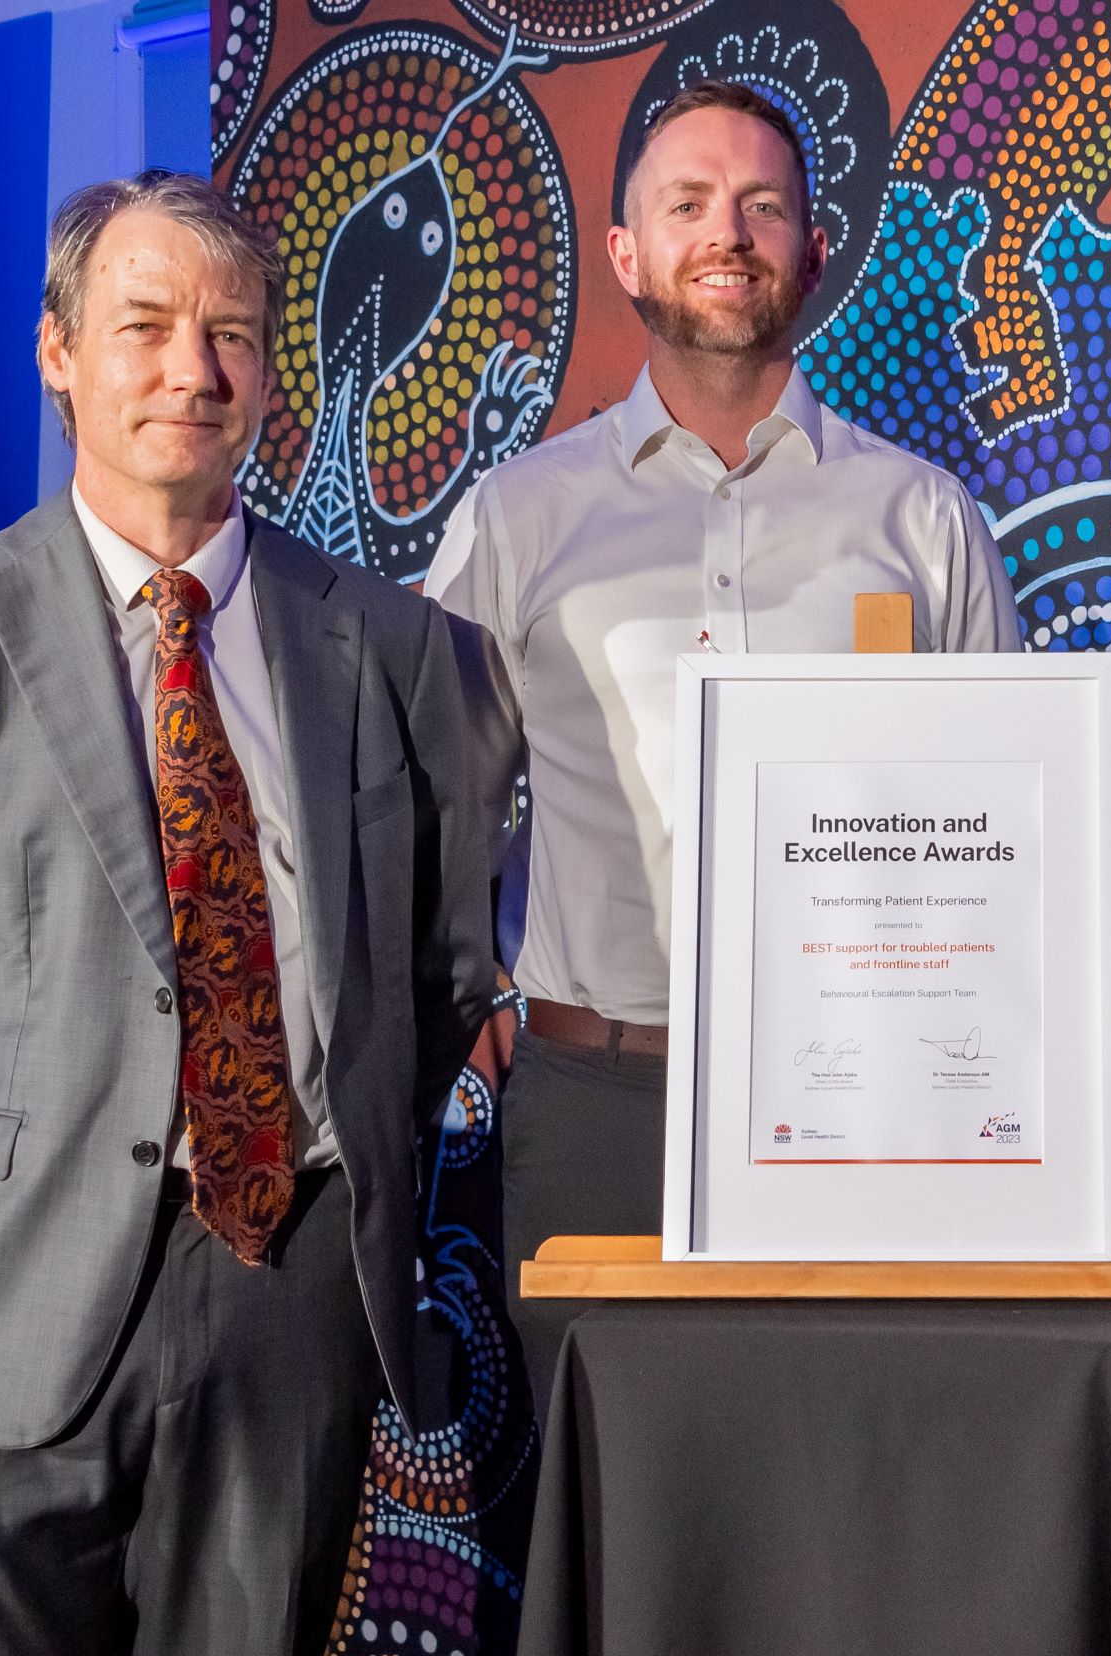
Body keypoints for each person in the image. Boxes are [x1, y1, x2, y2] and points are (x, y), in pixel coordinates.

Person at [0, 172, 497, 1656]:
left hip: (281, 1294)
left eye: (232, 333)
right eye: (148, 326)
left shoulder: (395, 647)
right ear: (58, 352)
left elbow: (433, 977)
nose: (194, 369)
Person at [425, 80, 1021, 1401]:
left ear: (814, 251)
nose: (728, 232)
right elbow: (431, 800)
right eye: (687, 203)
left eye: (763, 205)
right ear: (627, 254)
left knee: (838, 1498)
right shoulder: (520, 520)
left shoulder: (925, 523)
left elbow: (1008, 838)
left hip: (868, 1111)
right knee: (601, 1519)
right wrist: (455, 1003)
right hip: (598, 1106)